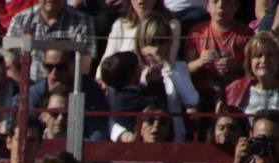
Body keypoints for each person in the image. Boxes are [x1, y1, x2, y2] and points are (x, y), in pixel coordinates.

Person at [136, 12, 199, 140]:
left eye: (162, 41)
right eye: (152, 42)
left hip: (174, 140)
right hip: (141, 141)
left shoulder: (178, 68)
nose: (157, 48)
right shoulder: (134, 69)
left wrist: (166, 65)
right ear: (141, 42)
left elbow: (192, 100)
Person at [184, 0, 252, 105]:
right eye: (215, 2)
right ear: (207, 6)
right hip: (204, 93)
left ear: (236, 6)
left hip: (237, 93)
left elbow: (254, 68)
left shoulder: (246, 34)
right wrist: (200, 62)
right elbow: (186, 69)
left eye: (227, 2)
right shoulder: (197, 32)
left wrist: (237, 65)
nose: (220, 6)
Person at [7, 0, 94, 82]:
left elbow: (84, 66)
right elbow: (9, 66)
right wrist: (32, 89)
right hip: (25, 87)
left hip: (66, 87)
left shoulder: (83, 21)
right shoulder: (20, 20)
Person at [105, 0, 182, 61]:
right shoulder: (120, 25)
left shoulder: (171, 25)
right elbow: (106, 61)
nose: (140, 1)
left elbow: (170, 64)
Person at [222, 32, 279, 114]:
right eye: (258, 55)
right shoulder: (234, 90)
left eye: (270, 55)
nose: (264, 61)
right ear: (249, 61)